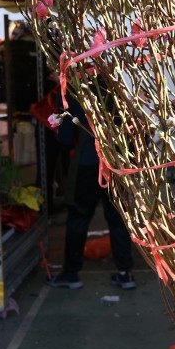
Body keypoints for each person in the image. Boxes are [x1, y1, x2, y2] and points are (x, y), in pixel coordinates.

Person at [48, 89, 135, 290]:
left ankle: (71, 274)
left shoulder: (72, 91)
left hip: (88, 162)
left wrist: (60, 129)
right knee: (118, 217)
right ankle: (126, 272)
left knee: (79, 216)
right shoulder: (118, 86)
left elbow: (66, 139)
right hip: (117, 162)